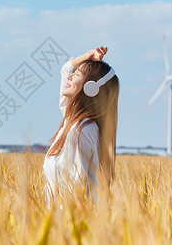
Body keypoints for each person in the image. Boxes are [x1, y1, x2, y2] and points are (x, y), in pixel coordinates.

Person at [42, 46, 119, 206]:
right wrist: (87, 56)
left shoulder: (81, 130)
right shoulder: (72, 120)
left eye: (77, 75)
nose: (69, 77)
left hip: (71, 222)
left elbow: (76, 189)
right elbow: (66, 69)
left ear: (91, 88)